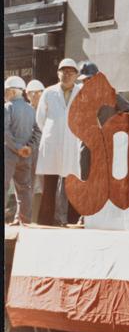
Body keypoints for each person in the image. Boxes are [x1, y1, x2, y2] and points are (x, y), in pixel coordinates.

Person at [36, 58, 82, 226]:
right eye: (64, 71)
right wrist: (53, 131)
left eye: (71, 72)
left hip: (73, 141)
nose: (67, 74)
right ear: (58, 73)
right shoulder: (48, 92)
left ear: (76, 75)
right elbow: (40, 118)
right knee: (50, 183)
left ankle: (73, 219)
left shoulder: (82, 92)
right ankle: (46, 220)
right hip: (53, 142)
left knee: (73, 182)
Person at [76, 61, 129, 182]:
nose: (86, 83)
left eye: (89, 79)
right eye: (84, 81)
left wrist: (118, 128)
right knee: (86, 173)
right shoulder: (81, 98)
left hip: (110, 144)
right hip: (89, 145)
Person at [4, 76, 40, 225]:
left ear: (12, 92)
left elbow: (5, 131)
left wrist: (18, 148)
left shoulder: (7, 107)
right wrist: (29, 148)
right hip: (26, 156)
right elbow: (38, 131)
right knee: (25, 189)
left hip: (8, 155)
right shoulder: (31, 109)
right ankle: (24, 221)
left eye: (6, 91)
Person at [25, 79, 45, 223]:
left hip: (44, 153)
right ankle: (29, 218)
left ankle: (36, 218)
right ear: (27, 95)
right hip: (28, 152)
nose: (35, 95)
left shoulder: (48, 108)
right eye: (32, 93)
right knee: (28, 185)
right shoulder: (25, 110)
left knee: (40, 185)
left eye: (38, 93)